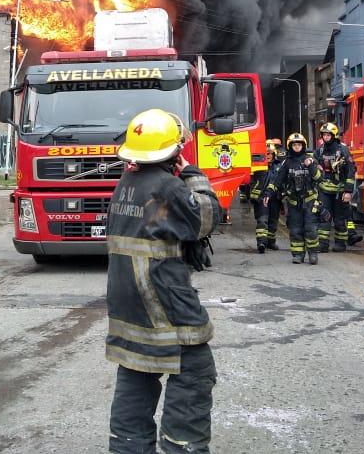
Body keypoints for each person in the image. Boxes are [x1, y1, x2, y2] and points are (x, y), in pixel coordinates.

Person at [106, 108, 222, 454]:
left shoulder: (127, 184)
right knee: (196, 371)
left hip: (130, 308)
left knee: (136, 372)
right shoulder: (168, 186)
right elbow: (207, 217)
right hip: (164, 302)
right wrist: (192, 174)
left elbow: (158, 224)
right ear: (174, 150)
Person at [273, 133, 322, 264]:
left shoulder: (311, 159)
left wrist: (311, 165)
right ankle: (298, 254)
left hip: (310, 201)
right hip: (294, 202)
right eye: (294, 145)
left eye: (299, 144)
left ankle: (313, 254)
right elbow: (278, 180)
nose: (296, 147)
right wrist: (268, 193)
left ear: (303, 145)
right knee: (295, 230)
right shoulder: (287, 162)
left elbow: (319, 178)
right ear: (290, 146)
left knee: (310, 229)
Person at [314, 122, 358, 251]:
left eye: (328, 135)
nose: (326, 137)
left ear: (334, 135)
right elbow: (314, 166)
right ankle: (322, 244)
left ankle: (340, 243)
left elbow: (351, 170)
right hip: (324, 190)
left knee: (340, 218)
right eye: (324, 135)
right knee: (324, 216)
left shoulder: (342, 150)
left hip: (340, 190)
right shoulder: (320, 150)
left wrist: (348, 191)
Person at [248, 139, 283, 253]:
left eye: (269, 153)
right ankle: (261, 243)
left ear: (274, 154)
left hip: (275, 198)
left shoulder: (279, 166)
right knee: (262, 220)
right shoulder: (257, 167)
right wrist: (254, 196)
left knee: (273, 221)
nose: (268, 155)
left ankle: (271, 242)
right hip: (262, 198)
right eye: (265, 153)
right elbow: (251, 182)